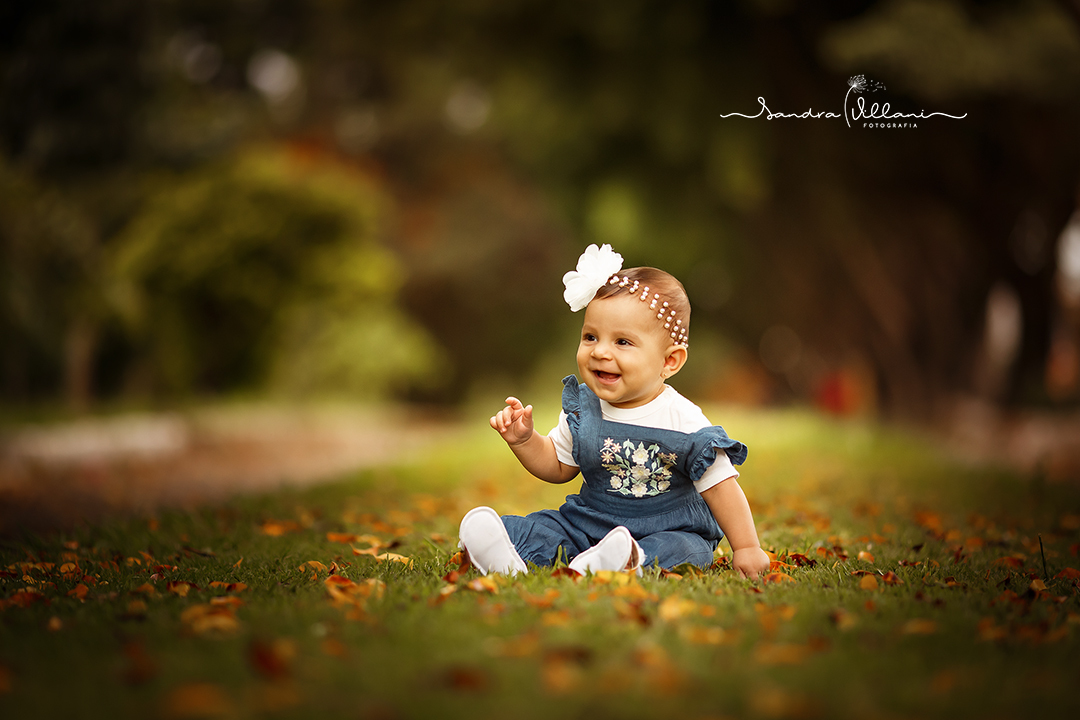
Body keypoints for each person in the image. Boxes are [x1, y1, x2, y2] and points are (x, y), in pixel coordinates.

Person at [458, 244, 771, 579]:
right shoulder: (585, 409)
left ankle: (627, 559)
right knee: (543, 526)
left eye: (622, 342)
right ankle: (508, 551)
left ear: (669, 361)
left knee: (687, 549)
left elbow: (721, 487)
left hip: (666, 531)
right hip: (588, 527)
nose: (600, 352)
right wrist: (524, 440)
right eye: (591, 337)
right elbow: (559, 465)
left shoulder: (685, 421)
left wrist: (747, 547)